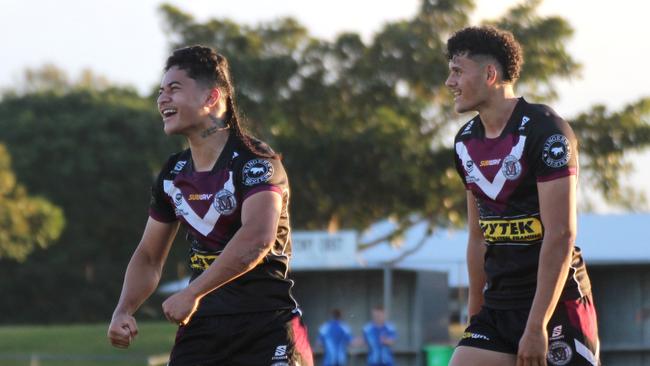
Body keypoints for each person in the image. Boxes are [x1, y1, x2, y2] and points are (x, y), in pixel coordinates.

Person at [107, 45, 313, 366]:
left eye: (174, 89)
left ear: (211, 98)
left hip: (267, 326)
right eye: (161, 91)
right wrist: (123, 310)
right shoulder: (173, 174)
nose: (162, 99)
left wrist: (192, 293)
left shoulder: (255, 163)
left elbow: (257, 238)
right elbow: (148, 256)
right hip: (202, 332)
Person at [446, 26, 600, 366]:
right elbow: (477, 236)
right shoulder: (465, 142)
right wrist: (476, 314)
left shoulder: (547, 132)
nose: (449, 82)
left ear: (490, 74)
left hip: (556, 304)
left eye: (458, 71)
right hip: (500, 304)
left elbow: (561, 234)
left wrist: (536, 327)